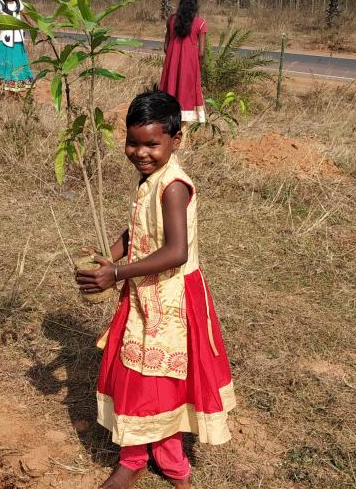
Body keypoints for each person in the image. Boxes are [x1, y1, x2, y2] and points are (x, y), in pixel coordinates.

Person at [76, 89, 235, 489]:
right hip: (144, 290)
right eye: (133, 142)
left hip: (173, 295)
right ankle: (132, 457)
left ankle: (173, 465)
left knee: (162, 382)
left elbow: (176, 251)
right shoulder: (150, 179)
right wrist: (109, 256)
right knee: (135, 371)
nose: (140, 152)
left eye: (151, 144)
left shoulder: (174, 186)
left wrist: (118, 273)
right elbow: (139, 231)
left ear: (175, 140)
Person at [159, 0, 207, 124]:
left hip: (172, 66)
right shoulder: (200, 23)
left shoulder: (171, 20)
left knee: (171, 91)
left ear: (180, 1)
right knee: (187, 96)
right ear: (195, 2)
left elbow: (166, 46)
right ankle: (184, 137)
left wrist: (174, 58)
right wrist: (199, 68)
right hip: (190, 66)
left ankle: (170, 128)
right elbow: (202, 53)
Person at [0, 0, 33, 92]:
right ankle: (5, 86)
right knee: (5, 61)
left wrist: (35, 27)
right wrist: (2, 18)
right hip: (6, 38)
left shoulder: (18, 1)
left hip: (18, 38)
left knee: (18, 62)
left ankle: (17, 87)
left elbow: (26, 16)